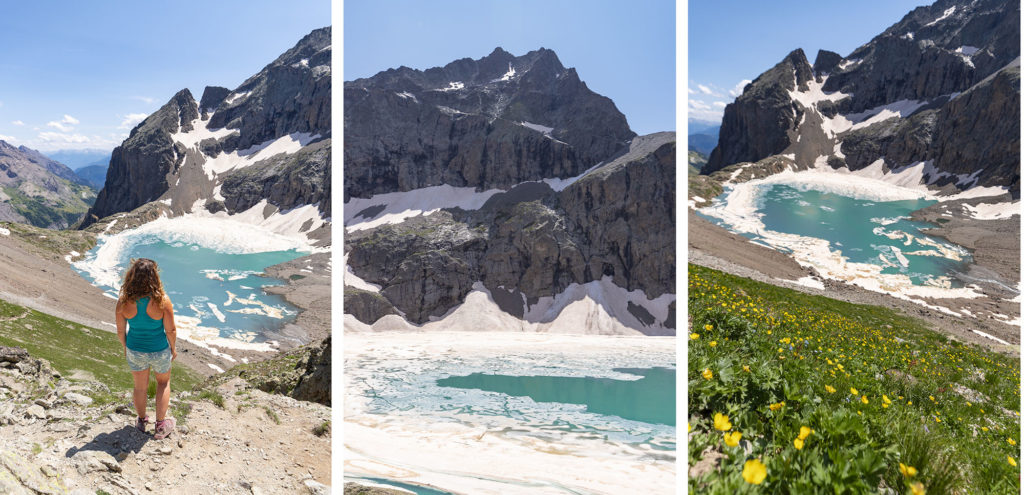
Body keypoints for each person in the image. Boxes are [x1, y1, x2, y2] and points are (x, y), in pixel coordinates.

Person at [115, 258, 178, 440]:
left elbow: (120, 330)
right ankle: (160, 426)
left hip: (135, 349)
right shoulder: (162, 301)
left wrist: (126, 347)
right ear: (154, 276)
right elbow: (171, 330)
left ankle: (142, 421)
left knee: (140, 387)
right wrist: (173, 349)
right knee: (163, 383)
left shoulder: (124, 301)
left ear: (132, 276)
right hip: (159, 349)